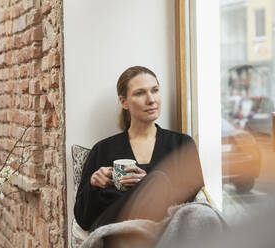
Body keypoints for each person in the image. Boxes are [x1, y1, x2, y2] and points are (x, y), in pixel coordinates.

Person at [74, 66, 204, 232]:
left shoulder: (182, 145)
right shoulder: (103, 149)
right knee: (158, 179)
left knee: (158, 180)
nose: (151, 99)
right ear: (124, 102)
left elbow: (195, 204)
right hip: (116, 231)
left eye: (155, 90)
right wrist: (93, 186)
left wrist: (150, 185)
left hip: (165, 232)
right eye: (140, 93)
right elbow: (83, 219)